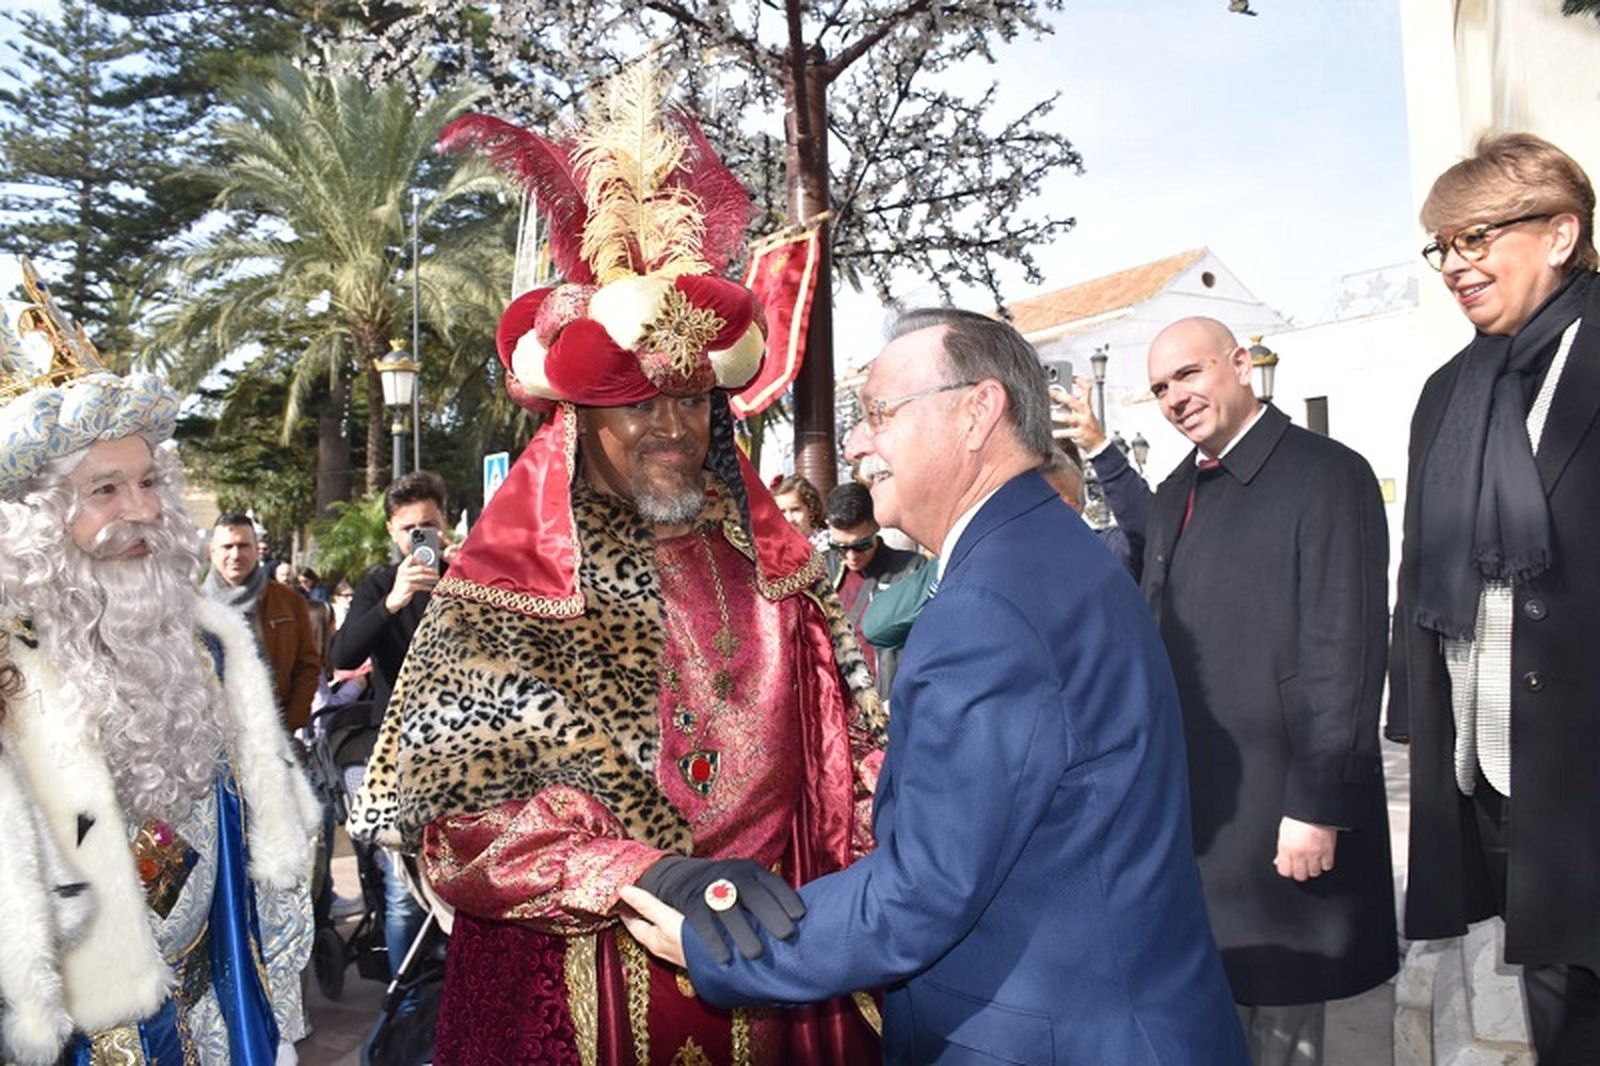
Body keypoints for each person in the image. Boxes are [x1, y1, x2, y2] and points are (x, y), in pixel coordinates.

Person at [350, 72, 884, 1063]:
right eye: (639, 402)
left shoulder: (779, 581)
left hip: (773, 996)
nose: (672, 425)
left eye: (689, 399)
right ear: (577, 422)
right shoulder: (499, 593)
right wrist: (636, 868)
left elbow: (850, 780)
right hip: (568, 1003)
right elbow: (450, 827)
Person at [623, 307, 1246, 1064]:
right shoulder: (1043, 551)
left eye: (878, 413)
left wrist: (723, 944)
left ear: (977, 411)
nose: (856, 441)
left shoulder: (991, 603)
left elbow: (924, 890)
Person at [0, 262, 319, 1065]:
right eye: (105, 489)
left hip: (209, 1017)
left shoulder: (209, 645)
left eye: (147, 482)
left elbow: (255, 854)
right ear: (35, 519)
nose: (140, 511)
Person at [1389, 132, 1600, 1064]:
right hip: (1499, 771)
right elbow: (1419, 566)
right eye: (1442, 245)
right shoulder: (1448, 392)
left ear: (1560, 233)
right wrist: (1417, 717)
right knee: (1560, 1009)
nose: (1454, 266)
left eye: (1475, 238)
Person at [1139, 316, 1396, 1064]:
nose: (1175, 398)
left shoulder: (1328, 474)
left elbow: (1342, 647)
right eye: (1159, 388)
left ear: (1241, 363)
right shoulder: (1173, 491)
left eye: (1189, 374)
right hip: (1198, 810)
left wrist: (1317, 804)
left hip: (1281, 810)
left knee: (1284, 1021)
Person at [329, 469, 451, 989]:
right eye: (408, 529)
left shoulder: (468, 578)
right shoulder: (380, 584)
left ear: (444, 525)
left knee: (462, 881)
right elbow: (343, 654)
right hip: (398, 753)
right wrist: (393, 602)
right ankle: (403, 1003)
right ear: (390, 532)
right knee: (402, 890)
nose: (418, 537)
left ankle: (452, 995)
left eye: (428, 526)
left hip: (460, 749)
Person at [204, 514, 321, 733]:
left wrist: (289, 722)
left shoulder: (290, 601)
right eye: (227, 546)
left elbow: (308, 666)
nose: (235, 555)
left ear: (257, 549)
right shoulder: (193, 607)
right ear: (212, 551)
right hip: (213, 737)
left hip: (274, 733)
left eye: (243, 546)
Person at [822, 480, 928, 700]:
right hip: (834, 708)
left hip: (888, 705)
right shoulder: (817, 570)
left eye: (861, 545)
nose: (851, 556)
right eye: (840, 547)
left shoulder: (911, 570)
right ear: (828, 527)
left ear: (877, 526)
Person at [1050, 379, 1153, 579]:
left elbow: (1153, 535)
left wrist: (1099, 448)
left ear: (1069, 504)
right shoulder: (1000, 561)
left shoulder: (1107, 551)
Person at [773, 472, 829, 550]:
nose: (789, 519)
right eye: (782, 512)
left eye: (795, 510)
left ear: (811, 509)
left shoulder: (825, 544)